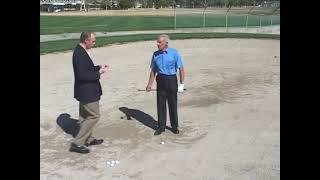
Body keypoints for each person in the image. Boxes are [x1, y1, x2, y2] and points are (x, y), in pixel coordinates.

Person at [70, 32, 108, 154]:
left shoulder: (80, 51)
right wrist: (99, 73)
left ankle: (88, 139)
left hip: (83, 91)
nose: (94, 43)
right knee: (94, 116)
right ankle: (77, 143)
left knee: (84, 117)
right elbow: (82, 75)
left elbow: (86, 69)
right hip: (87, 92)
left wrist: (97, 67)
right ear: (86, 40)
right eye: (93, 41)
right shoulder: (80, 54)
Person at [145, 34, 185, 135]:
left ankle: (174, 126)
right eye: (157, 42)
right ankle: (161, 127)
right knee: (161, 104)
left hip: (171, 79)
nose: (157, 44)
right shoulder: (155, 54)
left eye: (159, 42)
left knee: (172, 104)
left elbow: (181, 68)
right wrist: (149, 84)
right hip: (161, 80)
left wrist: (181, 84)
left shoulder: (174, 53)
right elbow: (153, 70)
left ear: (166, 43)